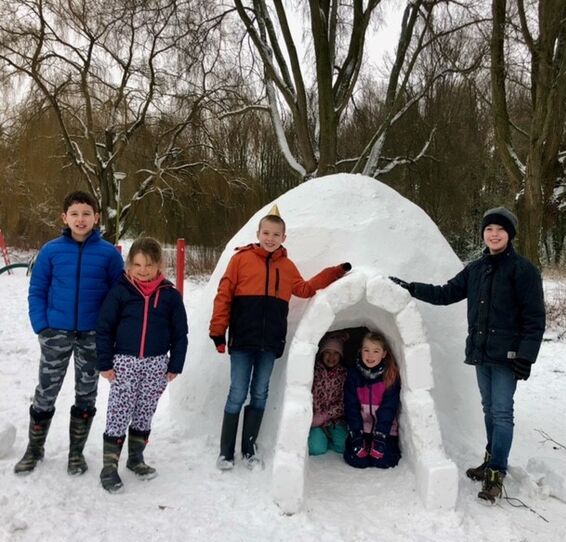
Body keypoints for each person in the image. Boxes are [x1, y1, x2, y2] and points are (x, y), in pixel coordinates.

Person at [389, 206, 545, 502]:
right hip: (482, 353)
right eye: (489, 229)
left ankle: (497, 471)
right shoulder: (476, 270)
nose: (494, 234)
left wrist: (526, 355)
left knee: (502, 413)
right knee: (489, 410)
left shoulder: (523, 271)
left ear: (509, 235)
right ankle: (491, 459)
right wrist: (409, 288)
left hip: (508, 356)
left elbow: (535, 318)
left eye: (500, 230)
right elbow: (445, 293)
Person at [209, 207, 351, 470]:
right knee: (237, 393)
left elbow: (306, 289)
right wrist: (218, 331)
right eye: (266, 232)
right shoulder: (241, 260)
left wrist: (335, 272)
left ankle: (249, 449)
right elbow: (224, 293)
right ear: (258, 233)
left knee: (260, 393)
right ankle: (226, 452)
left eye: (276, 234)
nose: (270, 238)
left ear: (284, 237)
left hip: (270, 343)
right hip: (242, 340)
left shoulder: (286, 267)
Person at [15, 190, 125, 476]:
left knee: (86, 395)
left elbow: (118, 296)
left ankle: (76, 453)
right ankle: (34, 449)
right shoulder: (51, 251)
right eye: (74, 213)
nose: (80, 219)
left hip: (92, 336)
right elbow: (37, 290)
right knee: (46, 392)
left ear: (96, 218)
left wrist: (109, 331)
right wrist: (42, 325)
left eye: (86, 213)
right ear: (64, 217)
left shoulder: (109, 255)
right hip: (56, 334)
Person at [96, 237, 188, 492]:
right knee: (119, 411)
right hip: (124, 362)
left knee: (145, 411)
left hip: (157, 363)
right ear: (129, 265)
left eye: (148, 264)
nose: (143, 270)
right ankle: (109, 467)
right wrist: (105, 362)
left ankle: (136, 458)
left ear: (159, 264)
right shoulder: (120, 291)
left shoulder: (170, 295)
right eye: (137, 264)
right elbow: (104, 328)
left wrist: (175, 364)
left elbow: (180, 333)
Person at [343, 331, 401, 469]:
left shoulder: (390, 376)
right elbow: (351, 406)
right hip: (362, 429)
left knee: (382, 461)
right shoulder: (354, 375)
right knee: (358, 461)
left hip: (384, 430)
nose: (370, 355)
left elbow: (389, 408)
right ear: (360, 351)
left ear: (384, 354)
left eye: (376, 351)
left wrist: (381, 436)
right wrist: (356, 434)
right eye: (366, 350)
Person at [308, 333, 348, 456]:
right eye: (327, 352)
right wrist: (313, 417)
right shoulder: (313, 371)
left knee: (344, 446)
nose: (331, 357)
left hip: (334, 420)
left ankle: (327, 439)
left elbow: (345, 401)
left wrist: (326, 415)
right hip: (314, 421)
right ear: (321, 354)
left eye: (336, 353)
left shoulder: (344, 374)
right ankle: (320, 439)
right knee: (316, 448)